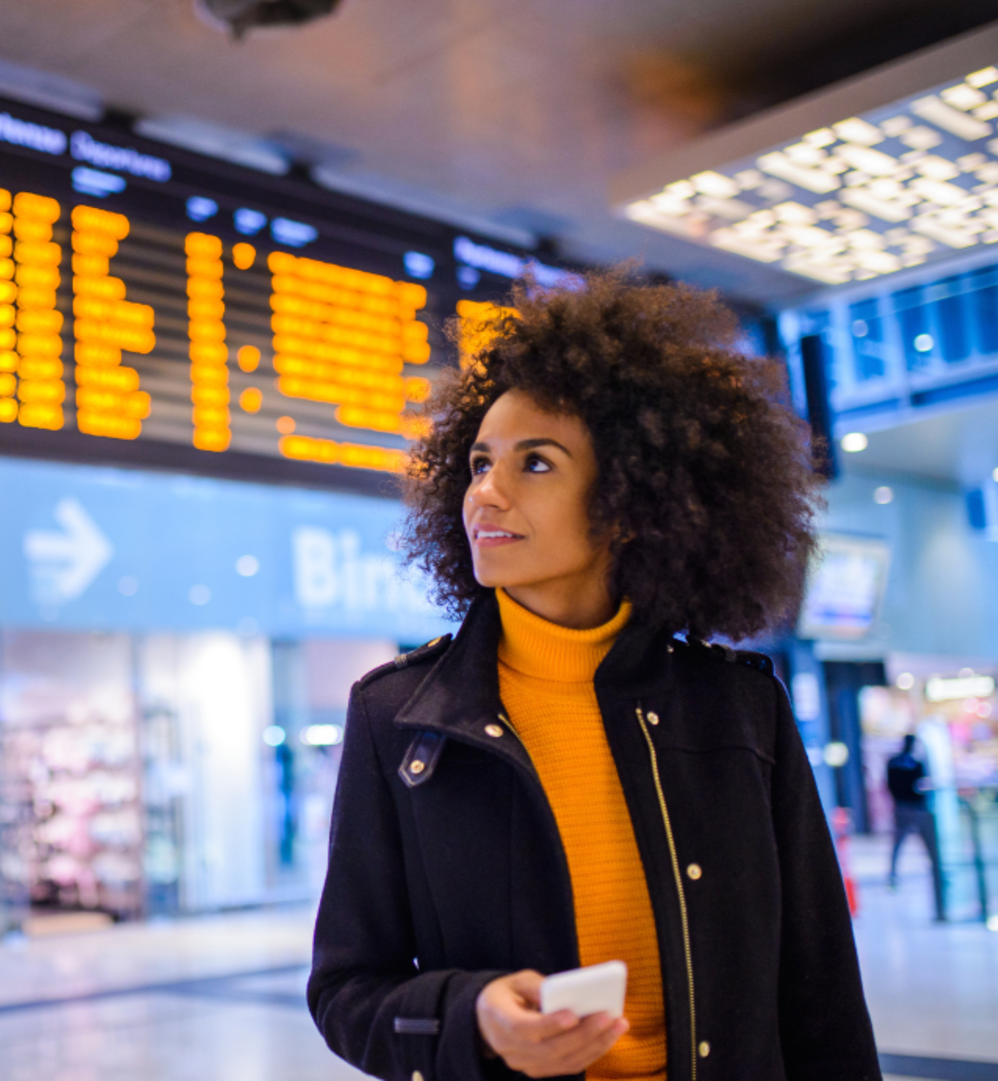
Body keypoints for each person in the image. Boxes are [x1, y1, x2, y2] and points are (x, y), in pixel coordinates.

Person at [308, 270, 879, 1081]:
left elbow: (820, 990)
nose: (486, 494)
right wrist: (471, 1017)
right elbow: (344, 990)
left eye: (534, 464)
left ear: (630, 502)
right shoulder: (399, 717)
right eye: (478, 463)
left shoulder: (740, 710)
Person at [887, 733, 946, 920]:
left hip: (904, 806)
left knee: (900, 844)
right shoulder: (914, 763)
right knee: (917, 845)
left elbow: (890, 784)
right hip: (912, 807)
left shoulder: (895, 762)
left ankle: (894, 874)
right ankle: (896, 874)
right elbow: (920, 784)